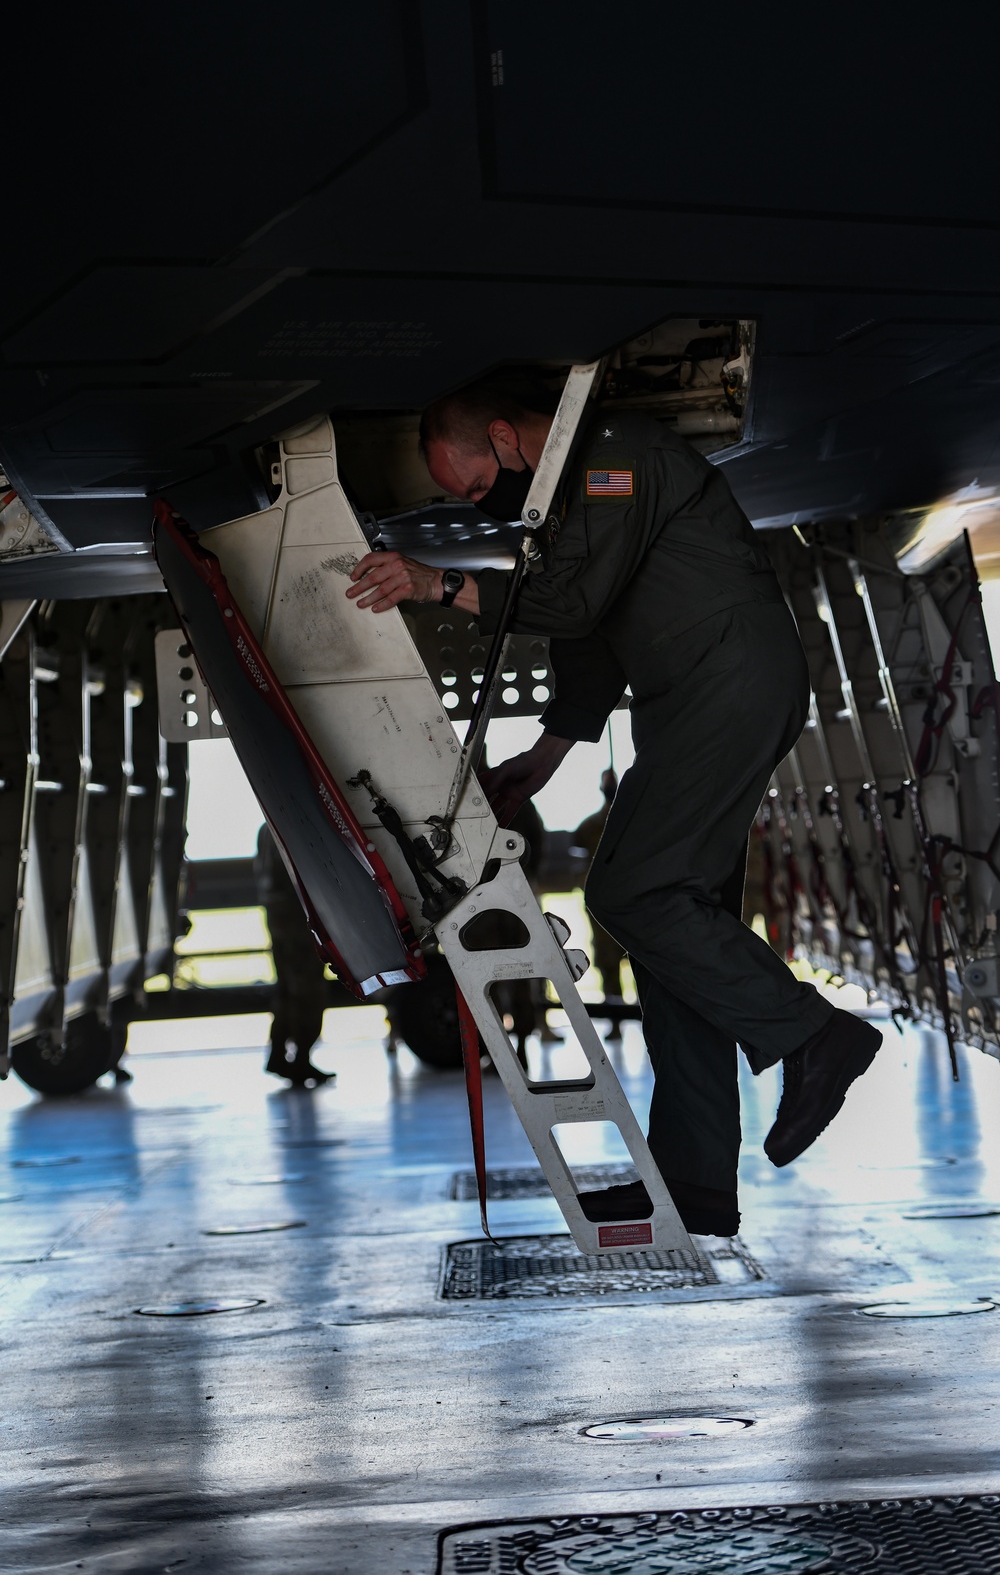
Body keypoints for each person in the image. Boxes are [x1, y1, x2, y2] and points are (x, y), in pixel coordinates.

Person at [344, 370, 882, 1236]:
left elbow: (575, 602)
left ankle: (814, 1035)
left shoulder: (613, 458)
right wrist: (548, 755)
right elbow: (587, 639)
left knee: (631, 891)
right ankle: (694, 1183)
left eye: (480, 485)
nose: (483, 508)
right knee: (673, 926)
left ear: (509, 440)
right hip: (690, 698)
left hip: (729, 682)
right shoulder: (563, 506)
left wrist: (437, 583)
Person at [254, 826, 335, 1088]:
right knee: (308, 989)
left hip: (279, 914)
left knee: (288, 989)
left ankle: (280, 1053)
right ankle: (300, 1056)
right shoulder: (291, 822)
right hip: (297, 915)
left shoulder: (267, 827)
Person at [571, 768, 628, 1039]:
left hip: (620, 903)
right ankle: (619, 1020)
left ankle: (628, 1020)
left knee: (624, 963)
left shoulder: (615, 820)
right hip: (611, 904)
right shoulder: (606, 822)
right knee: (609, 963)